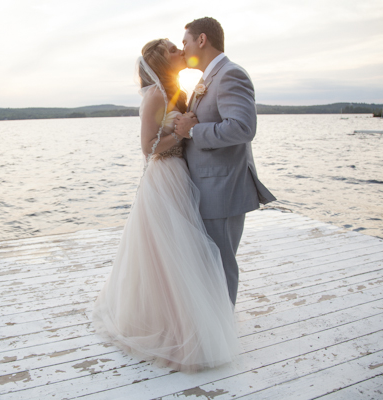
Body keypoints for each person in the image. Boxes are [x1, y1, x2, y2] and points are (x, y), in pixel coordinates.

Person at [91, 37, 240, 372]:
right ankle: (172, 329)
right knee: (170, 255)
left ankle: (189, 321)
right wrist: (185, 134)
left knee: (183, 253)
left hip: (181, 176)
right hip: (164, 179)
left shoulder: (175, 91)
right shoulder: (156, 95)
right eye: (173, 49)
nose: (179, 52)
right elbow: (148, 148)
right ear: (160, 59)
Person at [174, 17, 276, 305]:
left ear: (202, 40)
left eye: (186, 42)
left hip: (222, 188)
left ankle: (223, 331)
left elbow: (243, 127)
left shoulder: (231, 74)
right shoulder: (208, 79)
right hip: (206, 188)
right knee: (208, 263)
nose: (183, 49)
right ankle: (214, 324)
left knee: (221, 263)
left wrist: (193, 131)